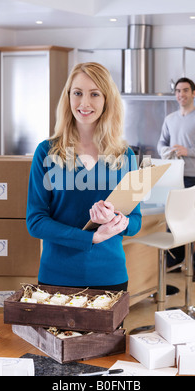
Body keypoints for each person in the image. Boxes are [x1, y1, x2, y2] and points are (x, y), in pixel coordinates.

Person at [26, 62, 142, 292]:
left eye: (94, 94)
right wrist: (91, 238)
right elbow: (35, 221)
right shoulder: (46, 152)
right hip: (57, 277)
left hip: (110, 276)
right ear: (68, 97)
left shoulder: (124, 155)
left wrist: (118, 221)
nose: (84, 103)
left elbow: (136, 220)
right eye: (77, 93)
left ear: (107, 100)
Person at [157, 77, 195, 282]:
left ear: (194, 93)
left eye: (185, 90)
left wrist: (188, 151)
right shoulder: (170, 119)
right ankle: (175, 261)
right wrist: (167, 151)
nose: (181, 94)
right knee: (172, 221)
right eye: (177, 91)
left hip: (193, 177)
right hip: (173, 177)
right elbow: (161, 144)